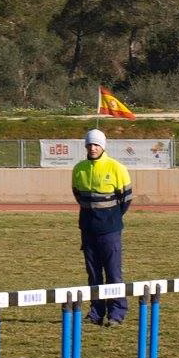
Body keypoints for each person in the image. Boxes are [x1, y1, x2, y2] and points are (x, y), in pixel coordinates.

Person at [71, 128, 132, 326]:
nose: (93, 148)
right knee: (94, 274)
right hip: (88, 230)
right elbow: (78, 195)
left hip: (110, 230)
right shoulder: (79, 168)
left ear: (103, 146)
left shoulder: (117, 168)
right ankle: (96, 312)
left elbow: (126, 199)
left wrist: (110, 218)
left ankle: (117, 313)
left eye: (96, 144)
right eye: (89, 144)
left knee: (113, 273)